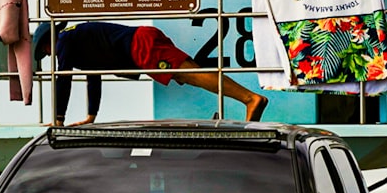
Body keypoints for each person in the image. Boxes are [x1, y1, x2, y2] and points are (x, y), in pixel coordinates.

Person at [32, 21, 268, 125]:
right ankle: (249, 99)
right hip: (141, 42)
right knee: (187, 75)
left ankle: (250, 98)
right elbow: (94, 77)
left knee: (190, 74)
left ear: (47, 42)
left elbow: (63, 78)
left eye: (45, 51)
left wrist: (58, 119)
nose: (50, 55)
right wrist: (92, 115)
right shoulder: (77, 44)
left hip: (140, 45)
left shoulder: (64, 40)